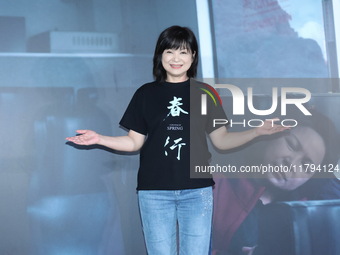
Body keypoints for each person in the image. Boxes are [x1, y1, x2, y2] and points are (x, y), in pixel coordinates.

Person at [66, 25, 286, 255]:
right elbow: (134, 142)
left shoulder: (205, 93)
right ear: (160, 56)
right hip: (154, 193)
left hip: (197, 192)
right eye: (169, 51)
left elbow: (221, 141)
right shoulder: (145, 94)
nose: (176, 58)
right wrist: (99, 138)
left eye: (183, 52)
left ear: (193, 56)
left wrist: (257, 132)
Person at [212, 109, 340, 255]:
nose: (291, 163)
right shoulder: (215, 185)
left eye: (305, 165)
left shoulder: (308, 213)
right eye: (291, 145)